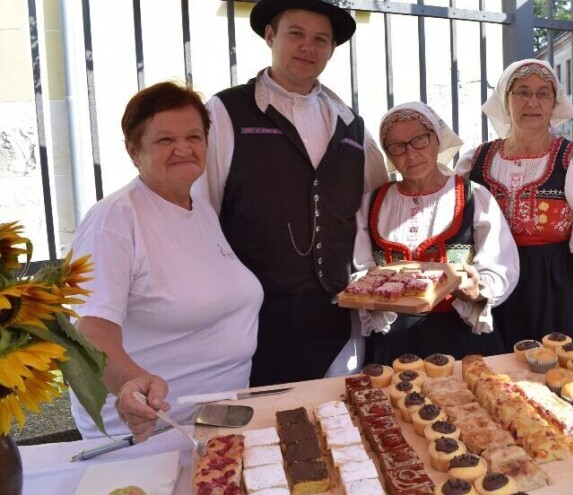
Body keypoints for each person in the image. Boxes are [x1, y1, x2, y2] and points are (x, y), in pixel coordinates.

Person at [195, 0, 388, 385]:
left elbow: (371, 209)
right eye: (296, 34)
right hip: (255, 319)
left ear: (331, 50)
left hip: (335, 316)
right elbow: (202, 209)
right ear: (270, 36)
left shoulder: (350, 124)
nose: (308, 47)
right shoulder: (226, 111)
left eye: (321, 39)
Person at [69, 82, 263, 442]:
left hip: (216, 421)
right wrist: (129, 382)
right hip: (150, 431)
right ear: (133, 150)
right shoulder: (114, 221)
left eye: (194, 136)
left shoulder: (199, 208)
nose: (183, 148)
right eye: (164, 140)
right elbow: (90, 329)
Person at [455, 59, 573, 362]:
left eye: (543, 94)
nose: (532, 102)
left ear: (555, 103)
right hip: (493, 297)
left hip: (558, 296)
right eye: (522, 92)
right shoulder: (475, 161)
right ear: (505, 99)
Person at [354, 102, 519, 364]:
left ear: (437, 139)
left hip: (462, 336)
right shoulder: (371, 203)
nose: (410, 154)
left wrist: (477, 290)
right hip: (393, 343)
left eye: (419, 139)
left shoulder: (474, 197)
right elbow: (359, 268)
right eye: (397, 146)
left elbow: (500, 264)